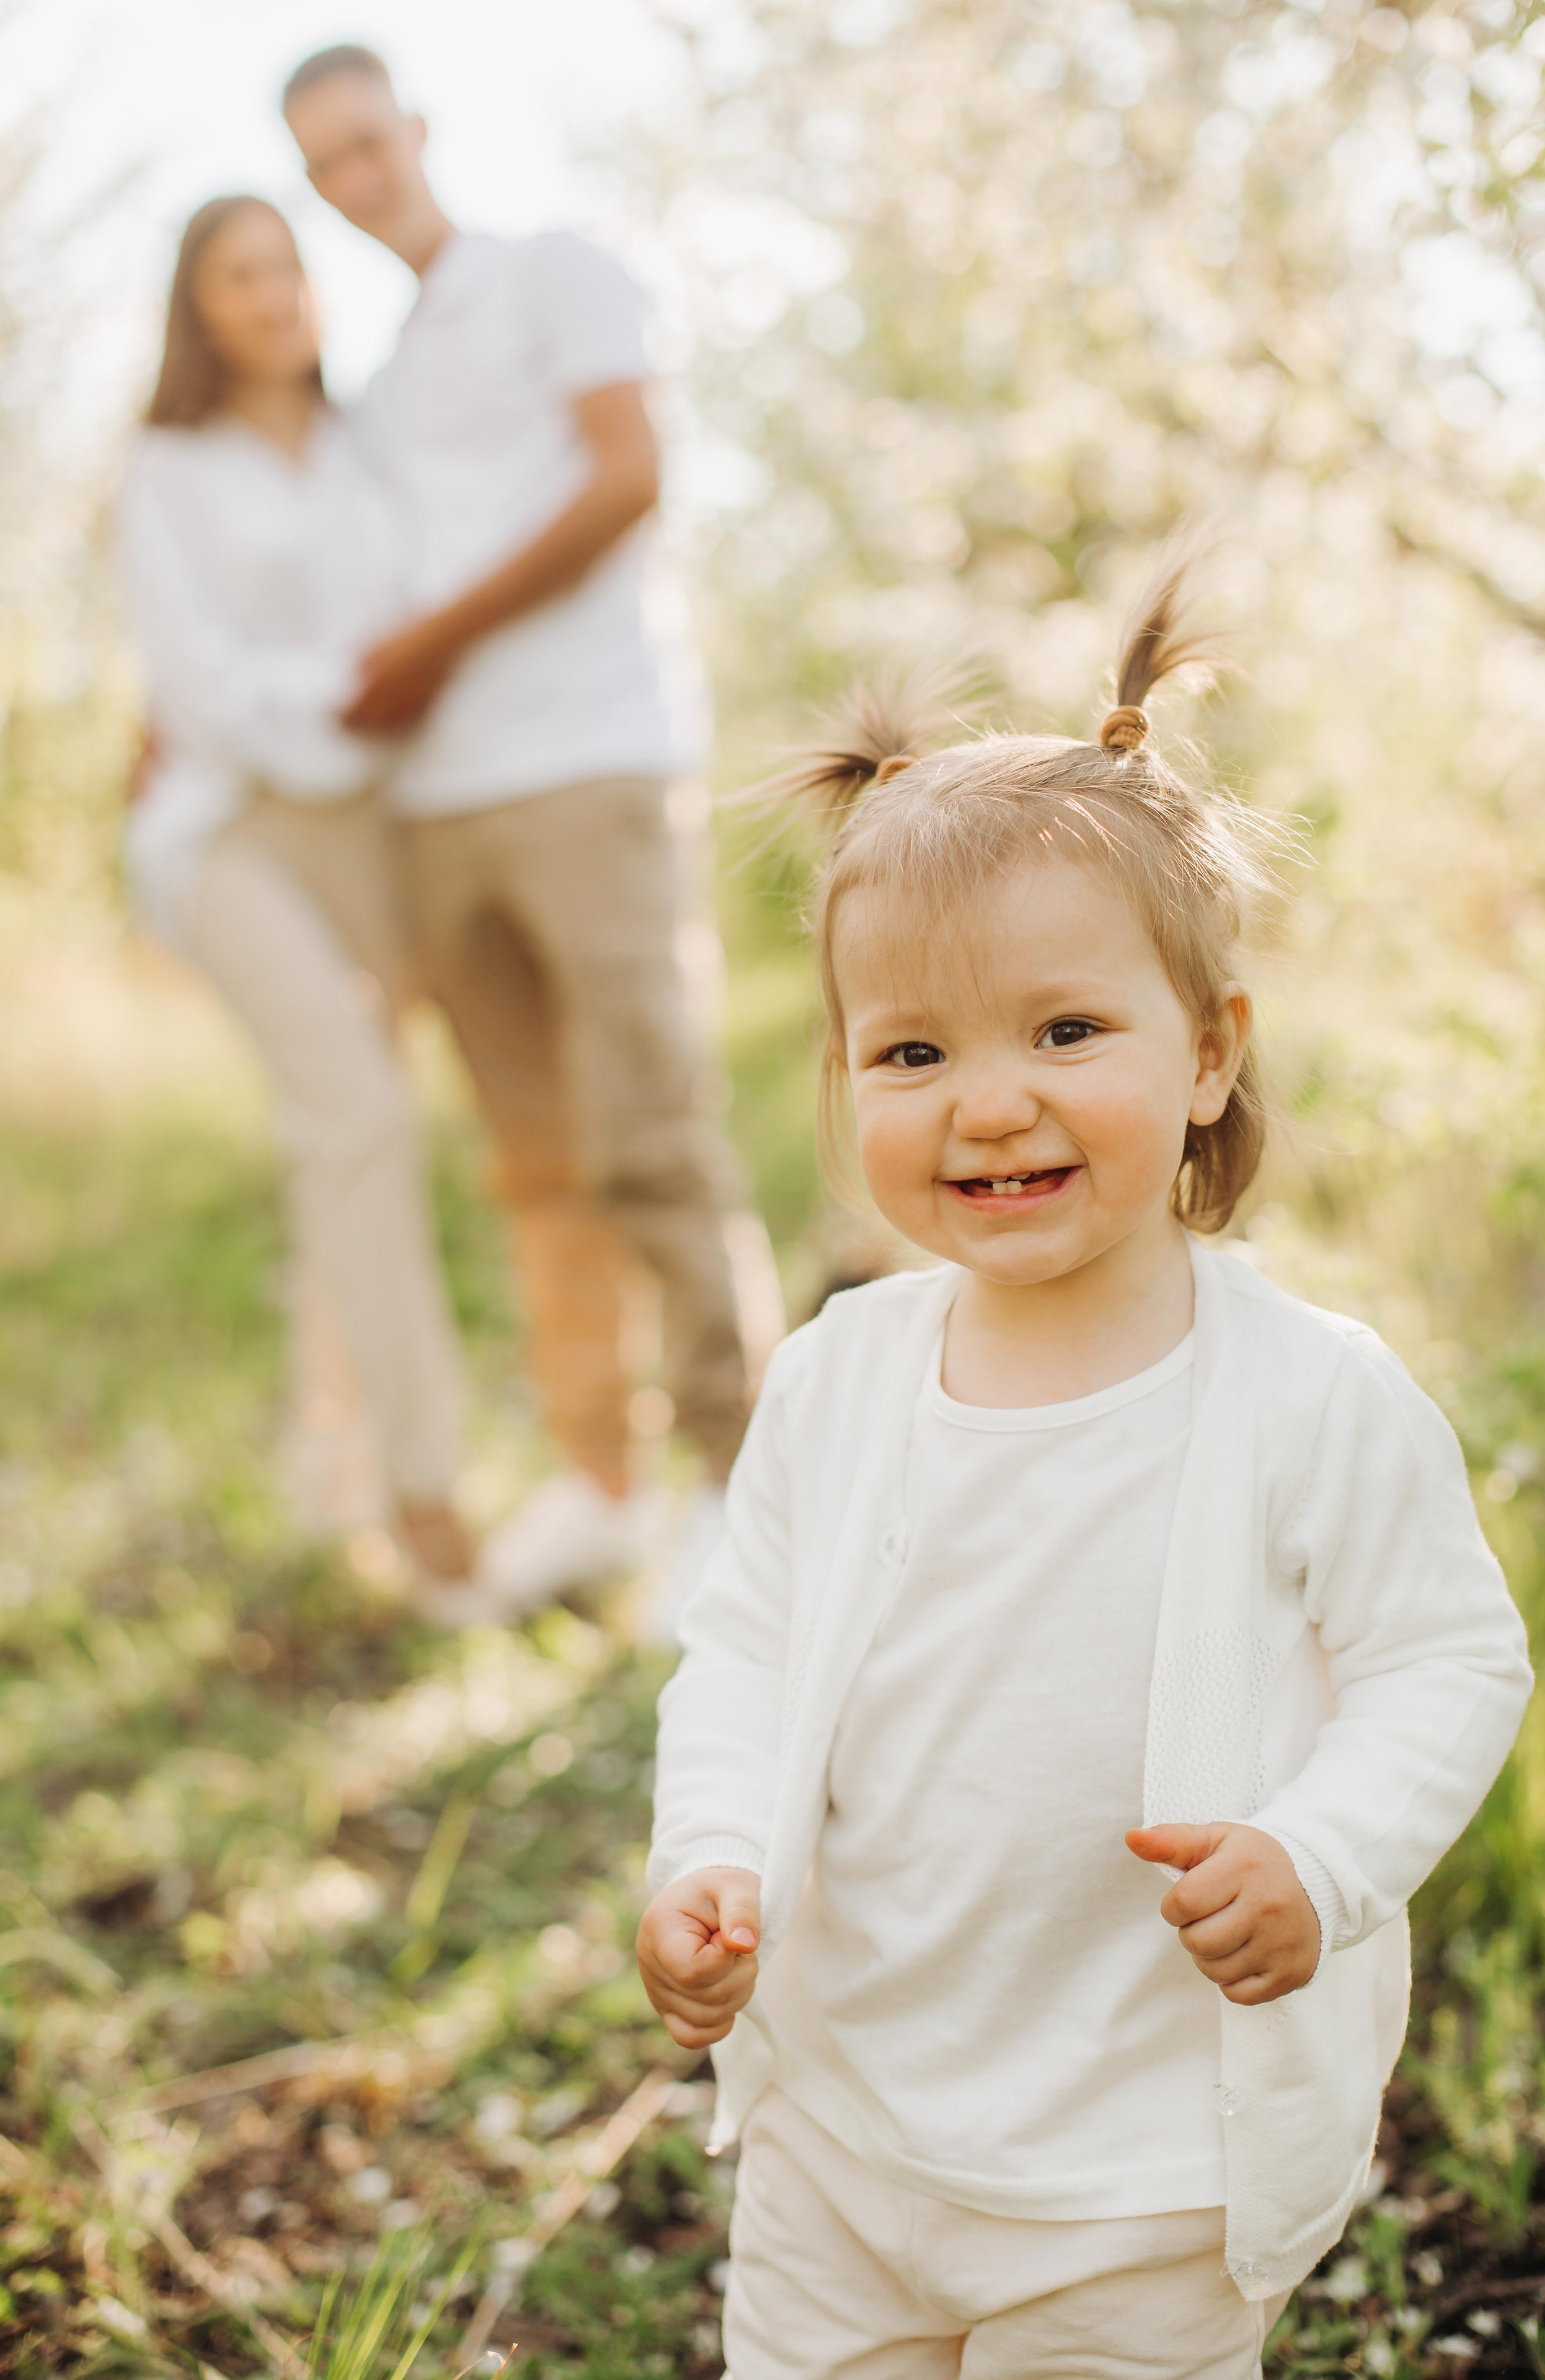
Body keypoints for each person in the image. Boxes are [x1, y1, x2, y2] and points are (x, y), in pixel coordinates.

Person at [636, 553, 1533, 2376]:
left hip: (1147, 2176)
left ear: (1207, 1054)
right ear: (845, 1074)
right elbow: (738, 1653)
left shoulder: (1307, 1394)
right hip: (845, 2141)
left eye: (1064, 1030)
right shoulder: (838, 1380)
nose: (988, 1100)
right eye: (913, 1049)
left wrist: (1320, 1852)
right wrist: (710, 1853)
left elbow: (1448, 1660)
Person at [280, 46, 773, 1613]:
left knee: (650, 1135)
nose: (356, 178)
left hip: (584, 762)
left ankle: (740, 1495)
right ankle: (600, 1480)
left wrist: (430, 644)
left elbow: (627, 472)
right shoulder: (377, 381)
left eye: (368, 142)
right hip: (434, 804)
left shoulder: (551, 272)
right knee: (535, 1164)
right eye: (324, 164)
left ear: (415, 131)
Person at [121, 195, 488, 1614]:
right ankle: (425, 1493)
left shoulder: (363, 453)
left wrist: (364, 700)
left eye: (285, 268)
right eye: (238, 275)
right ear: (198, 306)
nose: (271, 294)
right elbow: (198, 688)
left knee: (346, 1148)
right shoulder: (169, 467)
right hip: (227, 833)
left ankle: (328, 1464)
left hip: (376, 832)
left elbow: (420, 628)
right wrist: (345, 700)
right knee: (361, 1117)